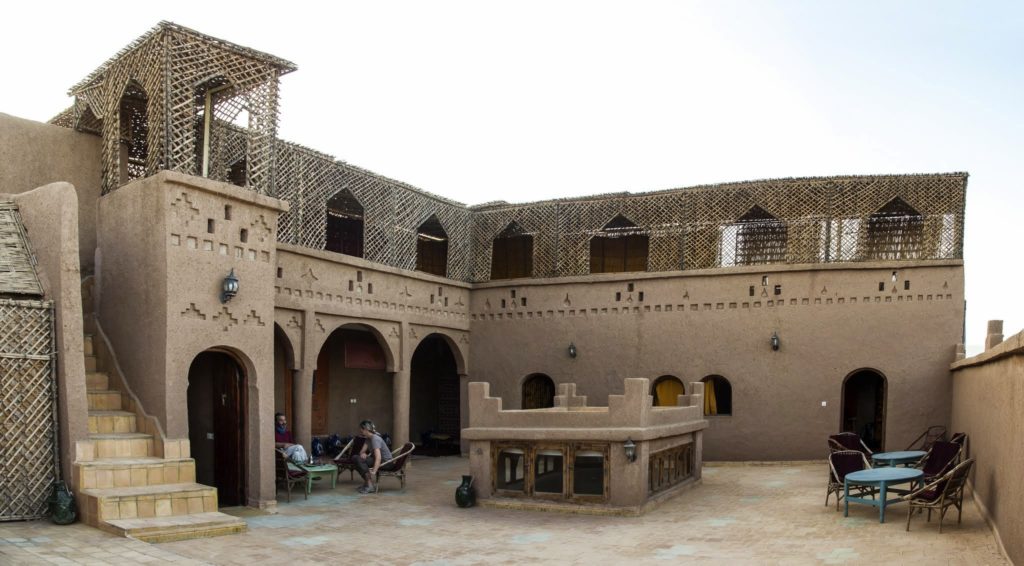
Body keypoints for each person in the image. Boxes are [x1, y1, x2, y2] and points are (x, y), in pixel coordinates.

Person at [353, 419, 392, 494]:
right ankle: (368, 483)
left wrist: (374, 471)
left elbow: (378, 457)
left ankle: (370, 485)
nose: (360, 431)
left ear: (366, 429)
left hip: (386, 463)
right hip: (378, 460)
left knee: (358, 460)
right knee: (356, 458)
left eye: (361, 429)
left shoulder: (375, 438)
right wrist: (362, 454)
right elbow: (361, 452)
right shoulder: (368, 438)